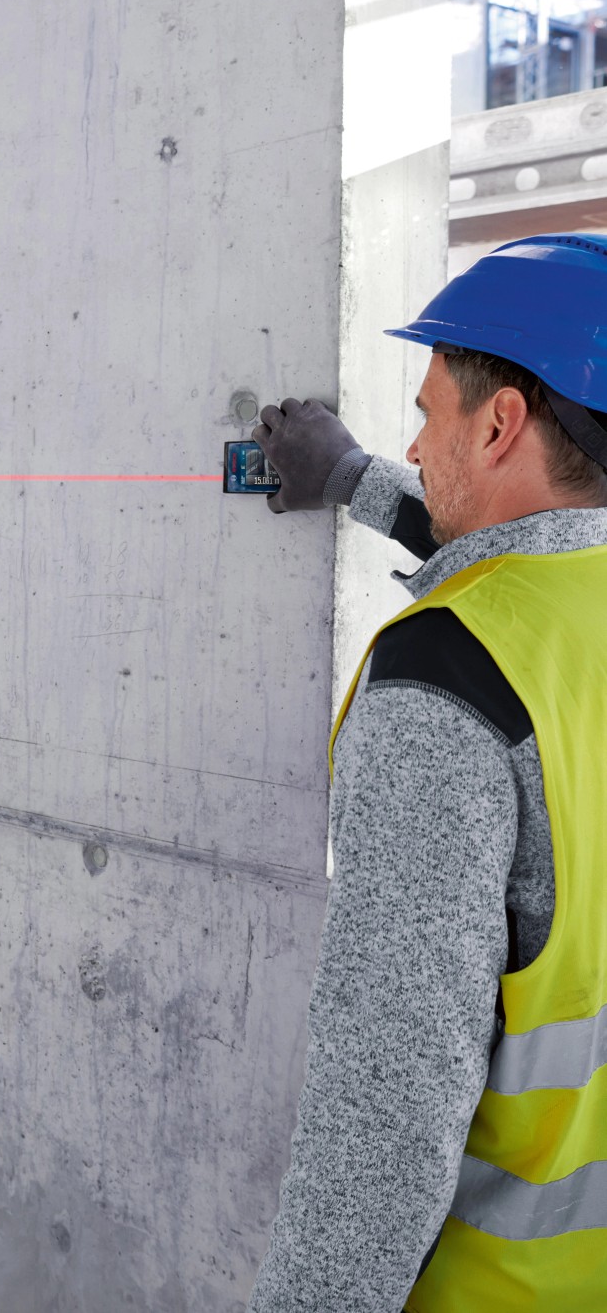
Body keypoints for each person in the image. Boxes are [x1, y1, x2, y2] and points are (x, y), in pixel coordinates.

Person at [244, 233, 607, 1312]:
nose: (413, 440)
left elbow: (384, 1122)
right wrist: (357, 482)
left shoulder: (447, 688)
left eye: (428, 413)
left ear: (500, 425)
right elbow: (534, 551)